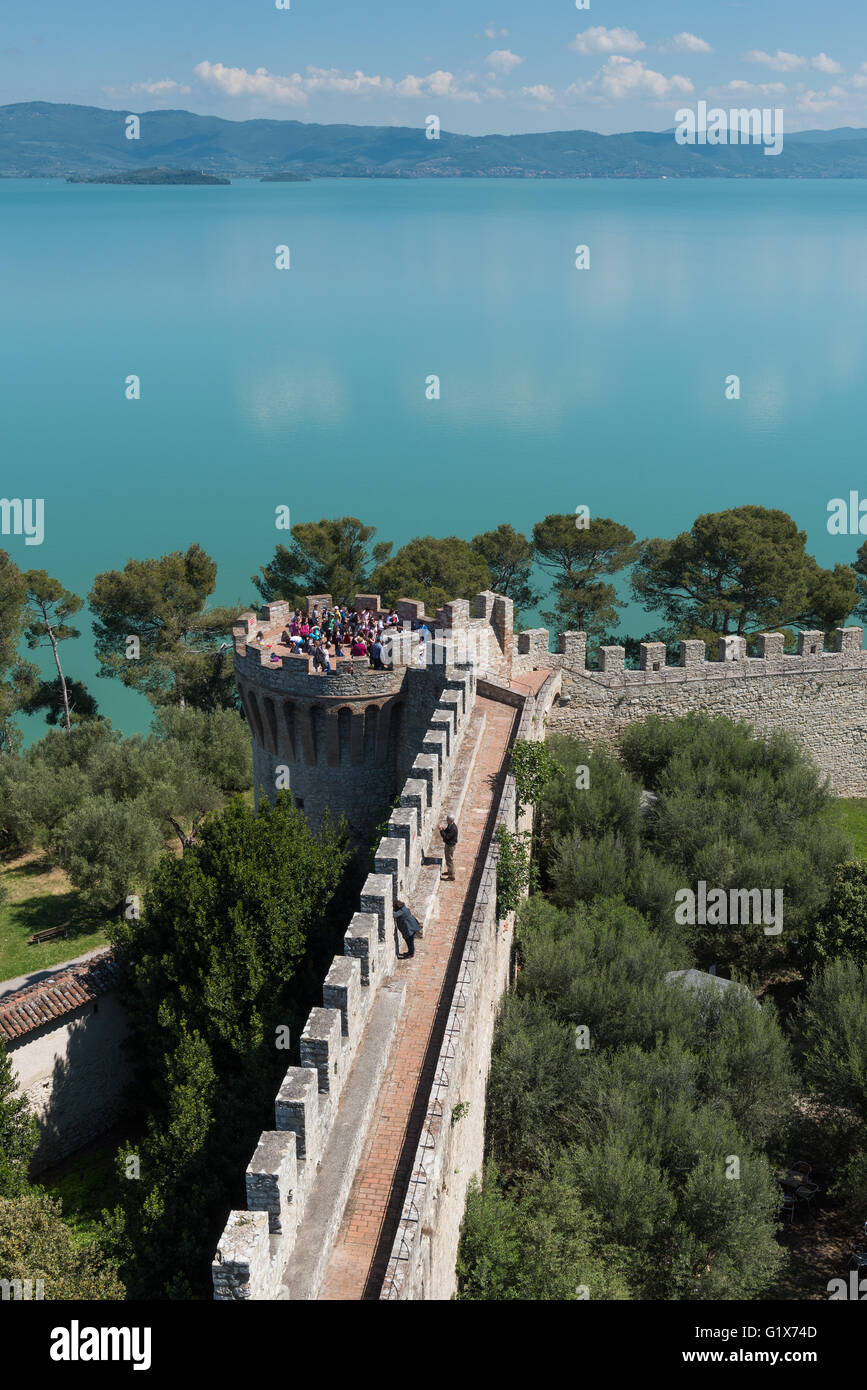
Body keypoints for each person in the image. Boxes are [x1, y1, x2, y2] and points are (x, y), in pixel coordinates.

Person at [439, 814, 458, 881]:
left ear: (450, 820)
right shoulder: (450, 825)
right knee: (449, 859)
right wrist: (443, 830)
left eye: (447, 819)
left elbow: (446, 837)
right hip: (449, 845)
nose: (446, 820)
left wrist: (441, 830)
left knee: (449, 860)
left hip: (450, 846)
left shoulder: (453, 829)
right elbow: (446, 832)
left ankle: (451, 876)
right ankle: (450, 872)